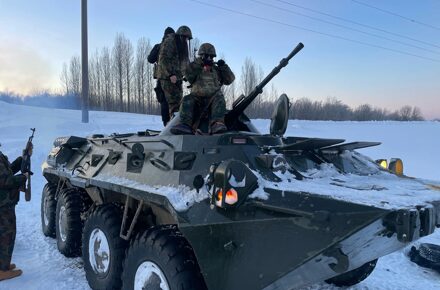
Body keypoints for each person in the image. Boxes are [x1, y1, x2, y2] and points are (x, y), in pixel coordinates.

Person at [171, 43, 235, 135]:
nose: (209, 59)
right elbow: (188, 76)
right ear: (201, 56)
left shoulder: (216, 69)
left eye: (211, 57)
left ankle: (217, 123)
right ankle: (185, 124)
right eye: (205, 56)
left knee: (219, 98)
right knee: (187, 99)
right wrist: (198, 64)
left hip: (213, 98)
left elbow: (229, 80)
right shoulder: (195, 68)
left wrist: (224, 68)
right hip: (196, 98)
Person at [0, 147, 29, 281]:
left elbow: (8, 171)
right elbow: (5, 180)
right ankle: (2, 270)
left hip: (4, 203)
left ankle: (2, 265)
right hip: (3, 205)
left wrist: (22, 158)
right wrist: (23, 177)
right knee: (7, 235)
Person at [156, 25, 192, 119]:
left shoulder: (183, 46)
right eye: (184, 37)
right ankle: (172, 127)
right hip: (167, 78)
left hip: (177, 78)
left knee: (178, 103)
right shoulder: (170, 42)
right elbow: (163, 59)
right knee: (173, 103)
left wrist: (188, 76)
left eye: (187, 38)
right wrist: (170, 74)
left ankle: (175, 124)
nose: (185, 40)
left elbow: (185, 63)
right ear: (180, 35)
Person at [148, 27, 175, 126]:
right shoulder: (172, 46)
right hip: (172, 78)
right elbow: (150, 59)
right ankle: (169, 124)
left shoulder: (159, 46)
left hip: (163, 77)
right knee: (170, 101)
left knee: (164, 101)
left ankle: (167, 124)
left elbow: (150, 59)